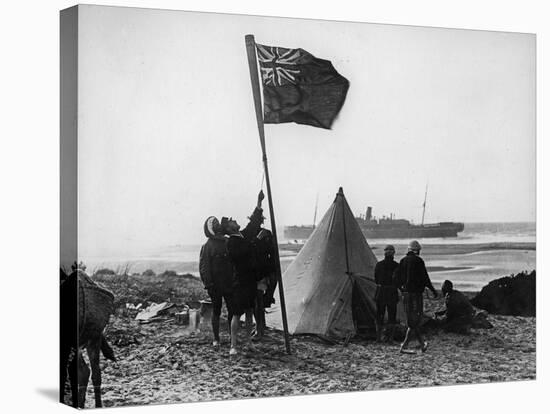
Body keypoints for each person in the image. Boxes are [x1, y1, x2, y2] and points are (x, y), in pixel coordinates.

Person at [223, 190, 265, 356]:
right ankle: (233, 345)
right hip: (239, 282)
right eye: (232, 221)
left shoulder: (241, 236)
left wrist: (259, 202)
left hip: (249, 281)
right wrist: (257, 241)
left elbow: (253, 224)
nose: (235, 221)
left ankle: (248, 342)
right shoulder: (232, 242)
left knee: (249, 313)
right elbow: (241, 254)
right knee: (236, 314)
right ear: (229, 227)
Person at [395, 240, 438, 353]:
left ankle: (417, 344)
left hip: (406, 294)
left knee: (411, 319)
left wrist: (401, 288)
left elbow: (396, 277)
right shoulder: (419, 261)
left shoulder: (403, 261)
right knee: (416, 320)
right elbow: (425, 278)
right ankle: (407, 345)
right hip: (417, 294)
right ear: (417, 250)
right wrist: (433, 290)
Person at [199, 216, 234, 347]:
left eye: (218, 223)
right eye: (215, 224)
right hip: (215, 285)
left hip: (229, 283)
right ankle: (216, 338)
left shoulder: (227, 241)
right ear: (211, 229)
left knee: (232, 310)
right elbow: (204, 267)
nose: (218, 225)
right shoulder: (207, 246)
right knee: (217, 310)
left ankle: (232, 336)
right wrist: (208, 284)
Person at [252, 225, 277, 341]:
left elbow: (272, 255)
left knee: (258, 303)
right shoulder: (255, 235)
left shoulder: (265, 234)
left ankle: (260, 329)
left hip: (262, 274)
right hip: (258, 274)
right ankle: (260, 327)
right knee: (257, 303)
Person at [374, 245, 399, 342]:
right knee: (392, 315)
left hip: (381, 291)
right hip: (392, 291)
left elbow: (376, 279)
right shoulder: (396, 265)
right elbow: (399, 280)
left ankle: (378, 337)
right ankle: (390, 338)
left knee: (379, 314)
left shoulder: (379, 265)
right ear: (393, 253)